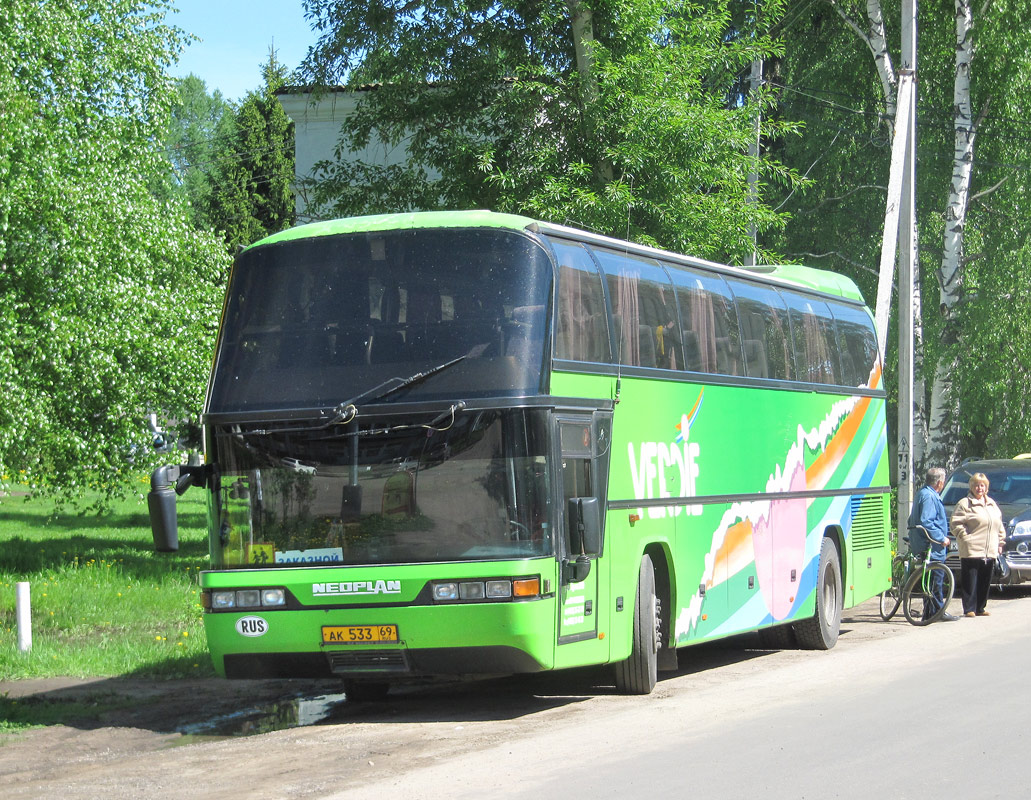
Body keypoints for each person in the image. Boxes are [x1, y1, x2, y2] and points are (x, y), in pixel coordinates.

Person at [950, 472, 1006, 617]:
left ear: (986, 488)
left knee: (985, 580)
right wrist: (965, 537)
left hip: (990, 549)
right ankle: (969, 608)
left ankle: (980, 608)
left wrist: (1000, 541)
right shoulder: (964, 503)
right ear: (971, 487)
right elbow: (955, 523)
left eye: (982, 485)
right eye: (976, 485)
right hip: (972, 548)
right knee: (970, 581)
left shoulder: (992, 504)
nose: (979, 488)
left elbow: (999, 525)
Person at [908, 467, 957, 621]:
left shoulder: (923, 493)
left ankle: (929, 612)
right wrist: (942, 538)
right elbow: (927, 521)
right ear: (940, 483)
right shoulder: (929, 497)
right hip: (931, 545)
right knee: (936, 579)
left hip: (925, 543)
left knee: (930, 580)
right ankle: (938, 612)